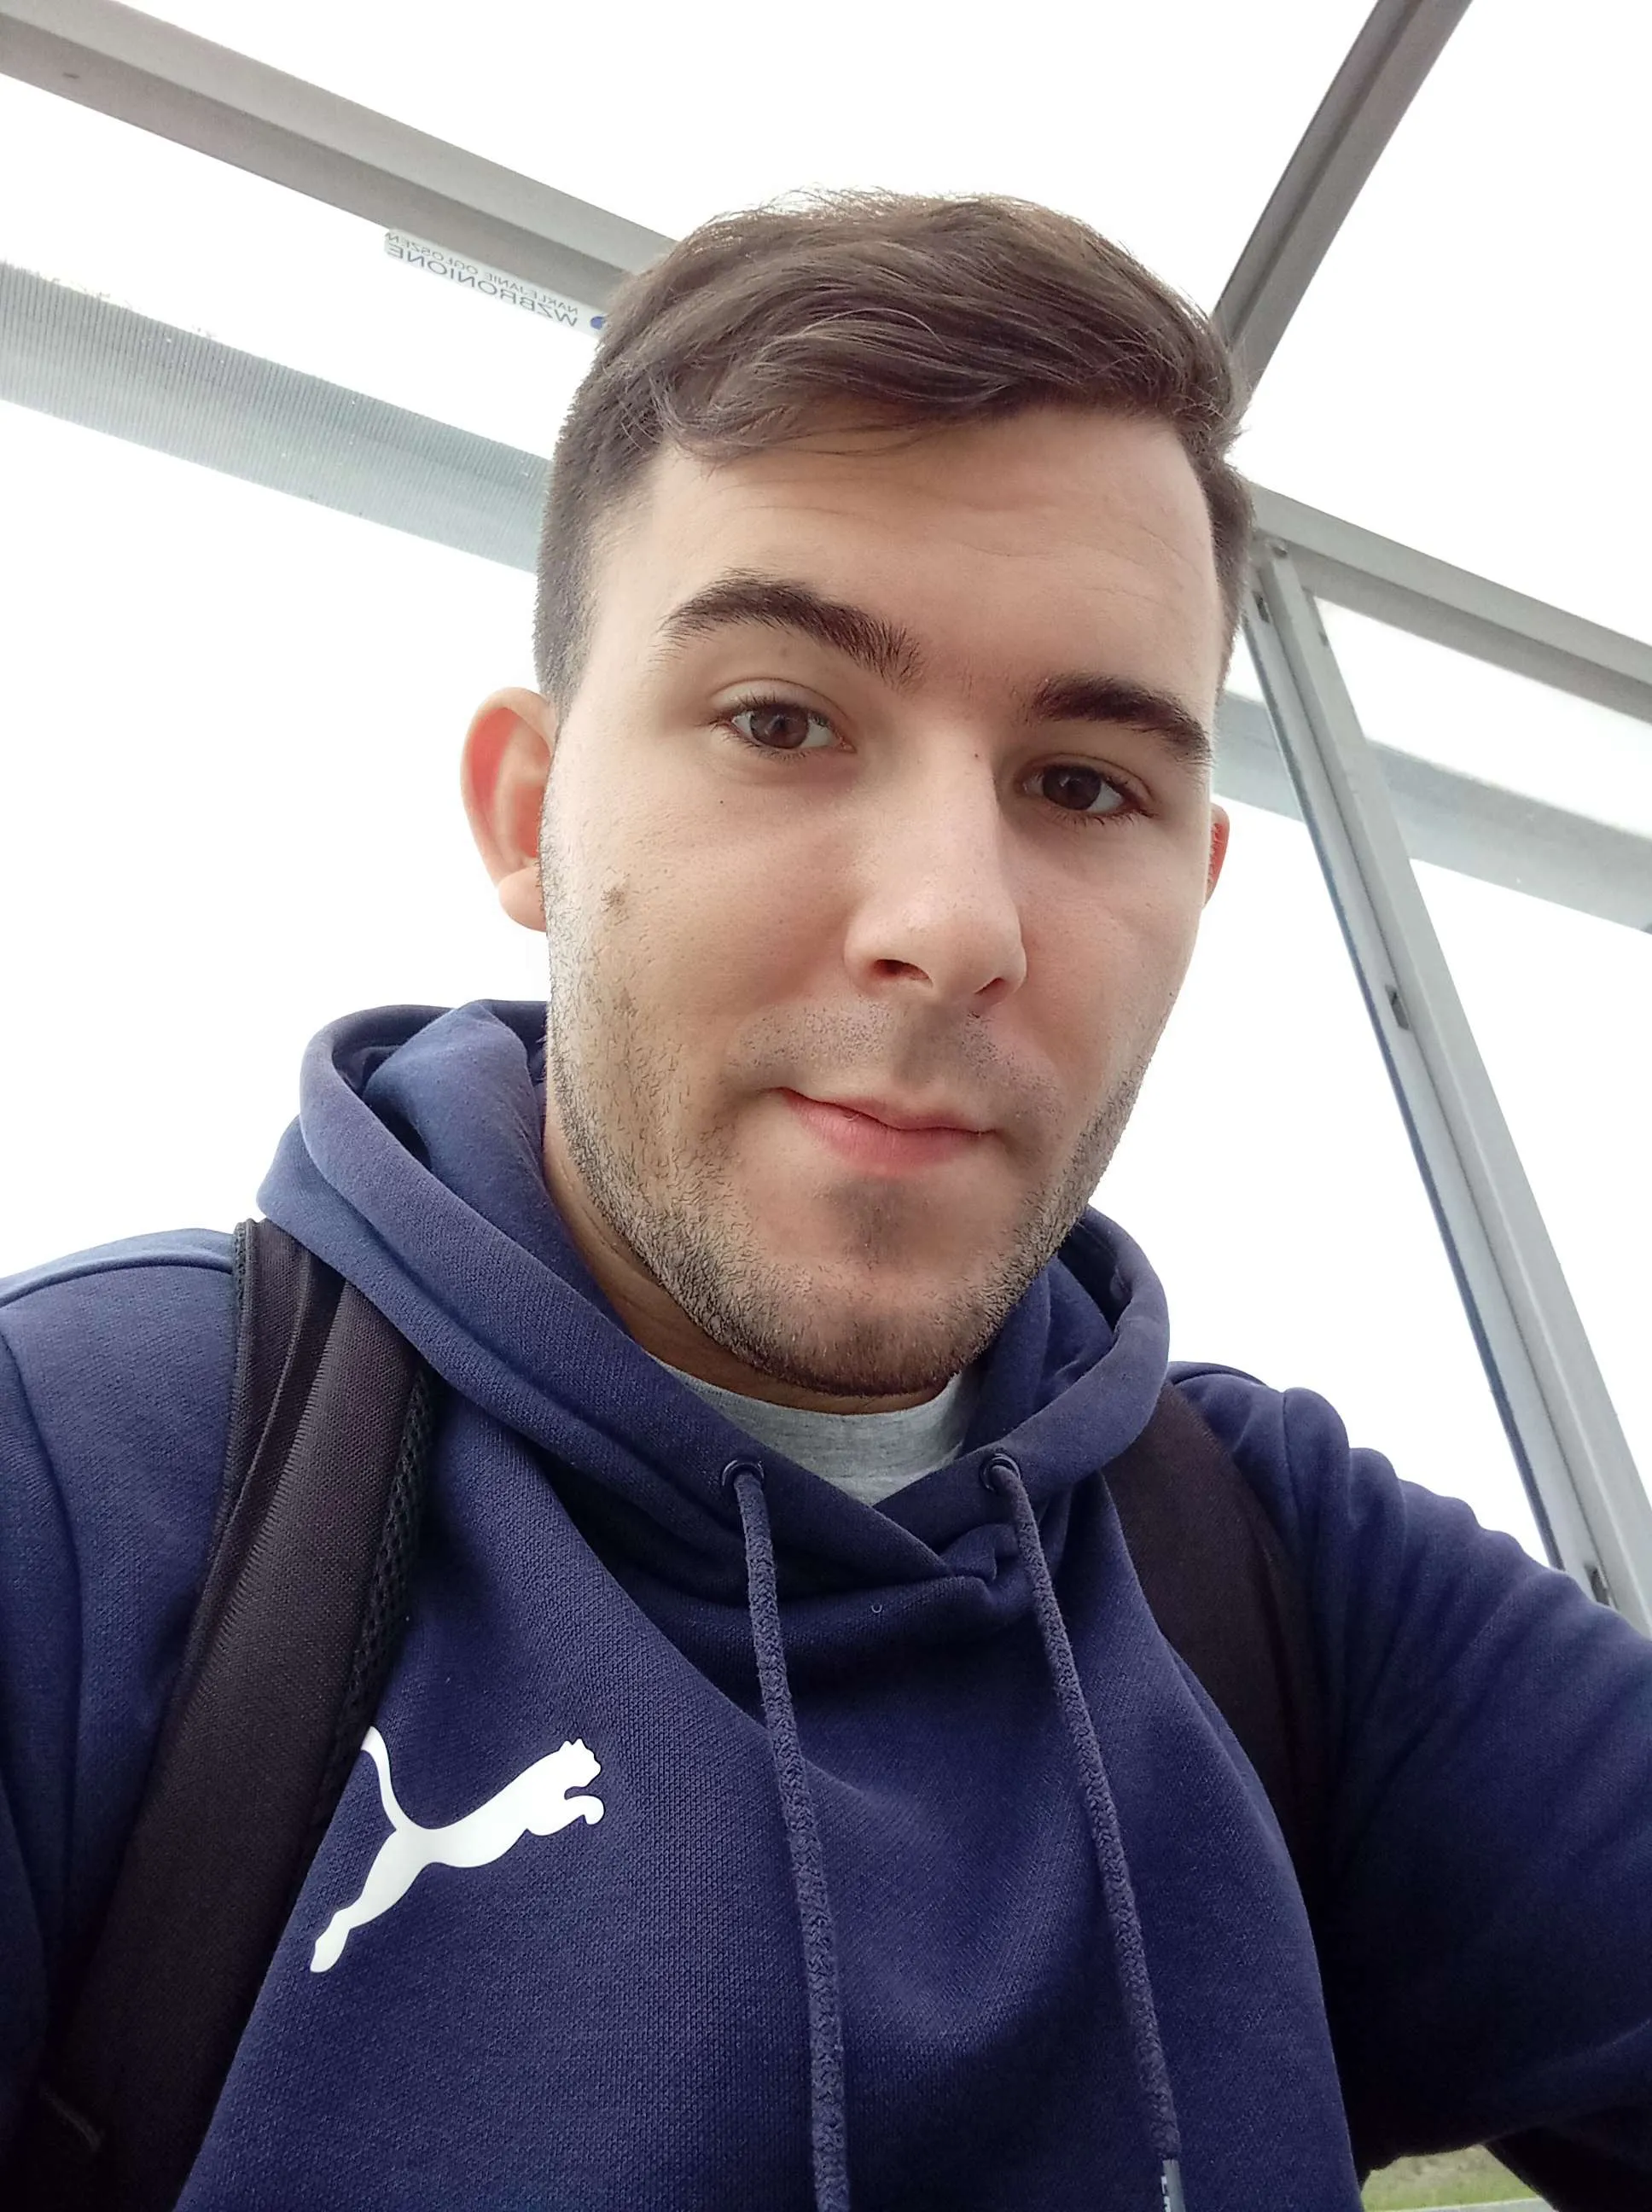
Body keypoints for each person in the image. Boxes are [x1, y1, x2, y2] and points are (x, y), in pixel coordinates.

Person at [2, 189, 1649, 2212]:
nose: (951, 925)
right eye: (778, 722)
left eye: (1082, 784)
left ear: (1193, 889)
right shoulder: (87, 1478)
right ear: (527, 814)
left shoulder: (1281, 1571)